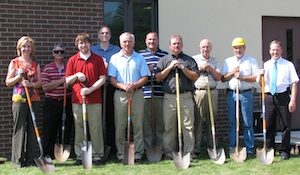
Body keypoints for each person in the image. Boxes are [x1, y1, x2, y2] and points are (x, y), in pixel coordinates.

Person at [155, 34, 200, 161]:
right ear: (170, 46)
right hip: (169, 97)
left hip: (185, 96)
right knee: (169, 126)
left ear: (182, 45)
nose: (176, 45)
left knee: (188, 126)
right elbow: (158, 77)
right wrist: (170, 67)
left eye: (178, 43)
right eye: (174, 43)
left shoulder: (189, 60)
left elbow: (195, 76)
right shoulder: (164, 60)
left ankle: (188, 152)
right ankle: (169, 152)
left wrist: (183, 68)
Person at [108, 32, 150, 163]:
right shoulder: (114, 58)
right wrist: (122, 85)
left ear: (134, 43)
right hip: (121, 94)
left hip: (137, 94)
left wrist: (134, 85)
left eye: (129, 41)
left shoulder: (140, 58)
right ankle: (122, 153)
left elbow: (145, 77)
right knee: (120, 125)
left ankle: (137, 153)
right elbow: (112, 79)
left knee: (138, 125)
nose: (127, 44)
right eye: (124, 42)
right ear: (120, 43)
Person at [65, 32, 107, 166]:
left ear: (90, 44)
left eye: (86, 42)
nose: (83, 45)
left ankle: (97, 155)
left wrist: (90, 89)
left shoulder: (98, 59)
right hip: (77, 100)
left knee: (96, 127)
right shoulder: (72, 60)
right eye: (80, 43)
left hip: (94, 99)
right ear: (77, 45)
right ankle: (79, 155)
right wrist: (77, 75)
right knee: (79, 128)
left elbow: (103, 78)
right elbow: (67, 80)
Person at [256, 40, 299, 160]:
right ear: (270, 51)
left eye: (277, 49)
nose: (275, 52)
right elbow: (261, 84)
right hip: (269, 97)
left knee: (285, 125)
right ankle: (270, 150)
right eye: (273, 50)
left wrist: (293, 100)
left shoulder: (288, 65)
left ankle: (284, 151)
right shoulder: (265, 65)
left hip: (283, 96)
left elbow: (294, 83)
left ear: (281, 51)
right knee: (269, 125)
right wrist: (260, 75)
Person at [5, 36, 42, 168]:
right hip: (19, 99)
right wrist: (18, 77)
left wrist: (31, 84)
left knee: (33, 129)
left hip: (34, 99)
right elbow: (8, 82)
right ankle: (18, 161)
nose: (26, 49)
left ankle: (31, 159)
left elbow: (40, 83)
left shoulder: (35, 63)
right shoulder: (15, 62)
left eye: (29, 46)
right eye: (24, 46)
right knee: (19, 128)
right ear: (19, 48)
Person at [221, 37, 259, 156]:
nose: (238, 50)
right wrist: (232, 73)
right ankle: (233, 146)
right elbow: (222, 79)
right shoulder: (228, 61)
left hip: (246, 94)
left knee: (248, 122)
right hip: (232, 94)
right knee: (233, 122)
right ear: (233, 49)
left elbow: (256, 78)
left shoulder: (251, 61)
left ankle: (249, 148)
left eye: (241, 47)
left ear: (244, 48)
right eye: (236, 48)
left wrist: (243, 78)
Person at [91, 26, 121, 155]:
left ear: (110, 35)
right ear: (98, 36)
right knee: (97, 118)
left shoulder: (117, 50)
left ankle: (111, 146)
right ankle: (97, 146)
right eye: (102, 33)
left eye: (107, 33)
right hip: (96, 87)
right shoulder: (92, 50)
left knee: (111, 117)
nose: (104, 35)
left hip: (111, 86)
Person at [41, 43, 73, 159]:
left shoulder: (69, 67)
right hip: (52, 103)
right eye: (57, 52)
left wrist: (68, 85)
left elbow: (73, 85)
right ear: (53, 54)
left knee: (66, 127)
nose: (59, 54)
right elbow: (45, 87)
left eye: (62, 52)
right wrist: (61, 81)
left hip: (66, 101)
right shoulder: (47, 68)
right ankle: (48, 154)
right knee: (50, 129)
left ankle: (64, 153)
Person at [192, 39, 222, 155]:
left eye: (208, 47)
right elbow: (191, 74)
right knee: (198, 119)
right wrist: (201, 68)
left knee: (212, 119)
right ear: (200, 48)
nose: (205, 49)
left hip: (212, 92)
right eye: (203, 47)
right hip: (199, 92)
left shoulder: (215, 60)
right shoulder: (194, 59)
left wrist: (211, 68)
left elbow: (218, 77)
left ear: (211, 48)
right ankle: (196, 147)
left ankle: (212, 145)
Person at [140, 32, 168, 153]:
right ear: (146, 41)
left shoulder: (165, 55)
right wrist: (147, 70)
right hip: (145, 94)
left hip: (160, 94)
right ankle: (148, 147)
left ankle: (160, 147)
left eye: (154, 39)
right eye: (149, 39)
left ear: (158, 41)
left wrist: (155, 70)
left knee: (160, 124)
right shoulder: (140, 55)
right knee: (146, 124)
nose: (152, 41)